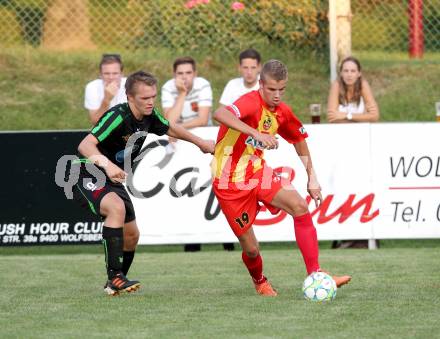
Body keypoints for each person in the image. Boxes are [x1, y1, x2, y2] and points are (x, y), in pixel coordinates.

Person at [211, 59, 351, 296]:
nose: (277, 95)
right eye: (272, 89)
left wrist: (312, 178)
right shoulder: (249, 102)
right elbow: (219, 113)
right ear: (261, 84)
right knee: (252, 249)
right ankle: (260, 281)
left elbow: (299, 141)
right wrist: (254, 132)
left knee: (299, 206)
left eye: (282, 89)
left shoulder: (282, 112)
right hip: (228, 183)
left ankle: (316, 274)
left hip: (257, 172)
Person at [72, 71, 214, 296]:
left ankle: (115, 283)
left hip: (113, 178)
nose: (150, 102)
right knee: (115, 209)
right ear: (129, 97)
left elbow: (169, 127)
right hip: (88, 172)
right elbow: (85, 145)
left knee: (132, 235)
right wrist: (108, 166)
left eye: (153, 97)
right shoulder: (117, 116)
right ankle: (116, 277)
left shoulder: (149, 116)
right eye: (144, 98)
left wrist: (200, 143)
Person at [327, 56, 380, 249]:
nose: (349, 75)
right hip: (339, 146)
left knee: (361, 186)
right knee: (339, 186)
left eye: (352, 71)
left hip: (360, 146)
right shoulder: (336, 86)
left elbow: (374, 116)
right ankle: (342, 233)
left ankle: (364, 234)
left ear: (359, 73)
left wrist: (347, 115)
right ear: (341, 73)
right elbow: (332, 117)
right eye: (346, 71)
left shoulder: (363, 85)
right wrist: (359, 119)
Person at [161, 56, 213, 252]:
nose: (185, 78)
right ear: (174, 75)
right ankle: (191, 241)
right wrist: (181, 94)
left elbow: (202, 119)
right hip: (181, 143)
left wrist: (177, 129)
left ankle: (227, 241)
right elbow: (167, 121)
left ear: (195, 74)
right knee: (188, 188)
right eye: (180, 74)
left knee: (209, 187)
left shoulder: (203, 85)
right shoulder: (168, 87)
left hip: (204, 139)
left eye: (188, 73)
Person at [84, 54, 127, 125]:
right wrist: (106, 99)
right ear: (100, 75)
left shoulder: (131, 86)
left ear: (122, 74)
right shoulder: (92, 87)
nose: (111, 77)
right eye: (106, 73)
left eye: (115, 73)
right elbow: (96, 122)